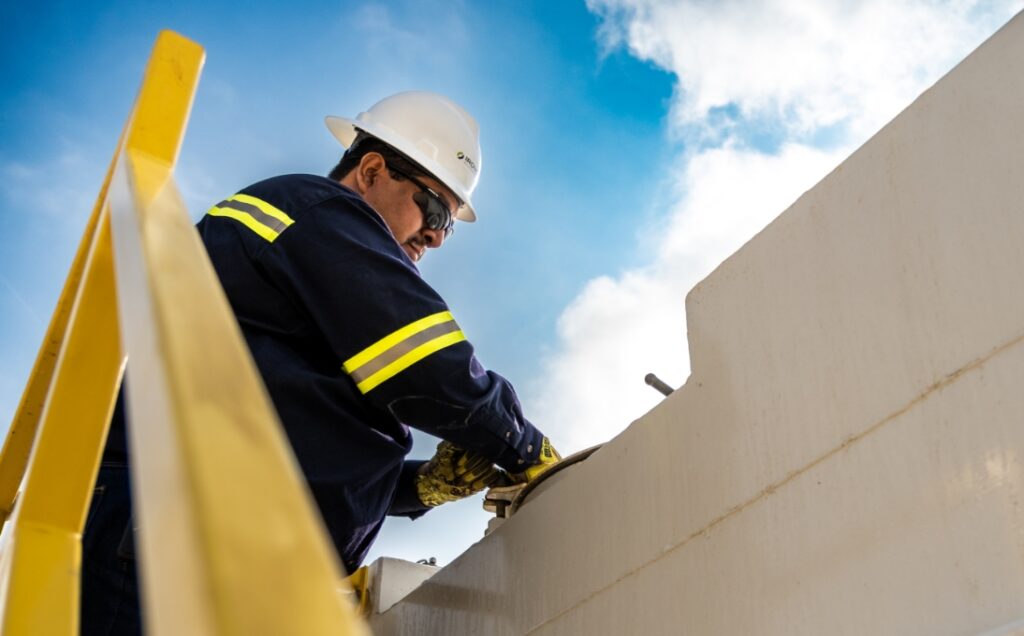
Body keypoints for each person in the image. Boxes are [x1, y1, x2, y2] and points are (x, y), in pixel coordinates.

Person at [81, 91, 560, 635]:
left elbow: (307, 443)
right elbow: (426, 362)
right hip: (176, 526)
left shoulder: (320, 280)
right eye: (432, 210)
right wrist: (520, 442)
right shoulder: (315, 209)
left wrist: (419, 486)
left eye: (446, 226)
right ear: (372, 170)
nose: (434, 236)